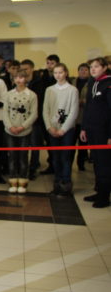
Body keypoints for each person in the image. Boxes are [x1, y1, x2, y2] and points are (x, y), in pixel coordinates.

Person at [43, 63, 78, 196]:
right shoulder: (49, 90)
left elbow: (74, 111)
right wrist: (49, 127)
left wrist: (63, 129)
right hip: (53, 128)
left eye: (60, 72)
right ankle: (57, 183)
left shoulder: (72, 90)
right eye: (55, 73)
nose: (58, 75)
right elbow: (45, 110)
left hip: (67, 129)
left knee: (66, 157)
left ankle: (66, 184)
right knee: (55, 157)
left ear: (66, 73)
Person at [80, 57, 111, 208]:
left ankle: (104, 196)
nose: (93, 69)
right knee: (97, 162)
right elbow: (88, 108)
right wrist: (84, 127)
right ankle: (99, 191)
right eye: (91, 66)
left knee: (104, 164)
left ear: (104, 68)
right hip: (92, 129)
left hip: (104, 131)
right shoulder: (92, 82)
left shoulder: (108, 84)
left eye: (96, 66)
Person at [3, 70, 38, 193]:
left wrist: (23, 127)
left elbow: (34, 114)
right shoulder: (8, 94)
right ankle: (13, 180)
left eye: (21, 77)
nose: (19, 80)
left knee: (23, 156)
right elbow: (5, 112)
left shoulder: (32, 95)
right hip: (10, 131)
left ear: (26, 79)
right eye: (16, 77)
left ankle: (23, 180)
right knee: (12, 156)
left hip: (25, 131)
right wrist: (10, 126)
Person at [74, 62, 90, 170]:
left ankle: (81, 163)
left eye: (85, 70)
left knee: (83, 143)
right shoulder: (72, 82)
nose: (83, 72)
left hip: (85, 117)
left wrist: (84, 101)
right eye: (81, 69)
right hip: (73, 118)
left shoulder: (92, 83)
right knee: (71, 143)